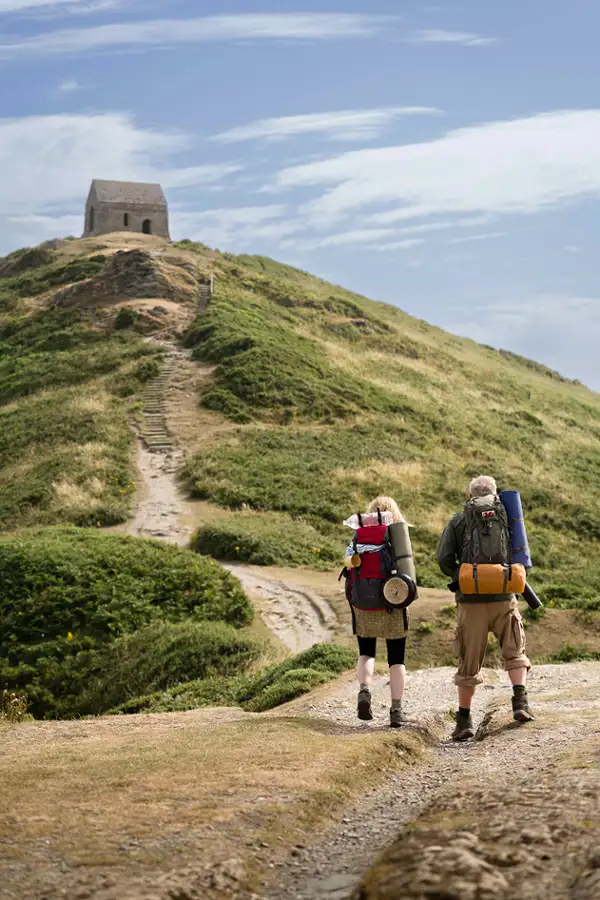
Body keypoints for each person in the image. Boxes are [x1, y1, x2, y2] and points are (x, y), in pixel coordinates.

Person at [437, 475, 534, 741]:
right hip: (504, 596)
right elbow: (522, 554)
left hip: (470, 601)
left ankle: (464, 721)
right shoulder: (508, 517)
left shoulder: (459, 520)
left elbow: (443, 558)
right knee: (514, 650)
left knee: (468, 661)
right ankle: (520, 703)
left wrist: (463, 576)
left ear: (470, 495)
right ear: (495, 494)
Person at [346, 496, 413, 729]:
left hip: (363, 604)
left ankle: (364, 691)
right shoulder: (398, 536)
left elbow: (348, 566)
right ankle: (396, 710)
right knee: (396, 660)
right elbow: (408, 573)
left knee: (366, 653)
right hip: (392, 604)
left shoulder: (359, 534)